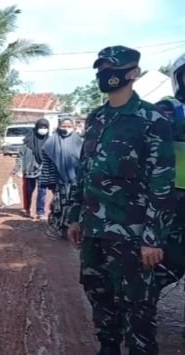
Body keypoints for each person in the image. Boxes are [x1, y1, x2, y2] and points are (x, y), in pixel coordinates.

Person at [67, 46, 176, 355]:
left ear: (133, 73)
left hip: (132, 236)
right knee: (100, 302)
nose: (104, 74)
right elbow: (83, 172)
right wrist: (74, 217)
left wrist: (152, 238)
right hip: (94, 231)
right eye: (100, 68)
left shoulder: (152, 120)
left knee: (138, 312)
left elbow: (162, 182)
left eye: (111, 68)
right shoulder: (96, 118)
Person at [154, 53, 185, 338]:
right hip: (175, 199)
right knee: (169, 261)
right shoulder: (168, 108)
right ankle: (141, 308)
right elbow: (157, 131)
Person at [40, 117, 83, 239]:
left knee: (74, 205)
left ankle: (72, 230)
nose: (66, 129)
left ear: (74, 128)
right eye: (64, 126)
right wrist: (50, 181)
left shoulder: (79, 142)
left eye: (69, 126)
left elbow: (85, 161)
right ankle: (59, 229)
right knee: (59, 206)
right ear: (59, 126)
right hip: (59, 182)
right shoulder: (51, 142)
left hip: (76, 181)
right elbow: (47, 164)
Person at [12, 118, 50, 219]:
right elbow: (20, 155)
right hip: (29, 171)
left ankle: (40, 212)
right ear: (36, 128)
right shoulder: (28, 141)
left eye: (45, 127)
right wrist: (18, 169)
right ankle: (27, 209)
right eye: (41, 127)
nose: (43, 129)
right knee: (28, 191)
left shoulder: (49, 142)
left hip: (43, 170)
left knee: (42, 191)